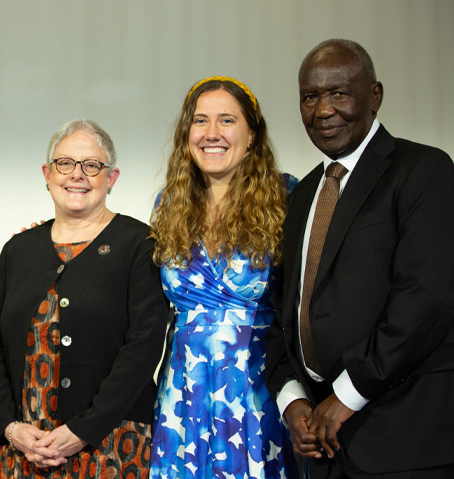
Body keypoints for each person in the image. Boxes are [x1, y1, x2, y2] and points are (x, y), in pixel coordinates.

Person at [265, 39, 454, 478]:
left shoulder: (424, 171)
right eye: (310, 97)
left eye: (339, 93)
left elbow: (426, 300)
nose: (323, 110)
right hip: (322, 448)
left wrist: (347, 396)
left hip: (405, 438)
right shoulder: (302, 195)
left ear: (375, 96)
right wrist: (294, 402)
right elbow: (280, 311)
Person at [0, 119, 169, 478]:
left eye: (92, 166)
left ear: (111, 179)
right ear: (47, 174)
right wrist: (10, 428)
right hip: (25, 451)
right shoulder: (17, 250)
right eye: (65, 163)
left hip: (111, 445)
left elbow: (143, 347)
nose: (77, 175)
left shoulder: (139, 244)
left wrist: (83, 430)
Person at [150, 77, 297, 479]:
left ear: (252, 135)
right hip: (183, 397)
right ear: (187, 134)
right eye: (200, 121)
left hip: (258, 394)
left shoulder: (289, 199)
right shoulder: (167, 206)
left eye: (227, 120)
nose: (211, 133)